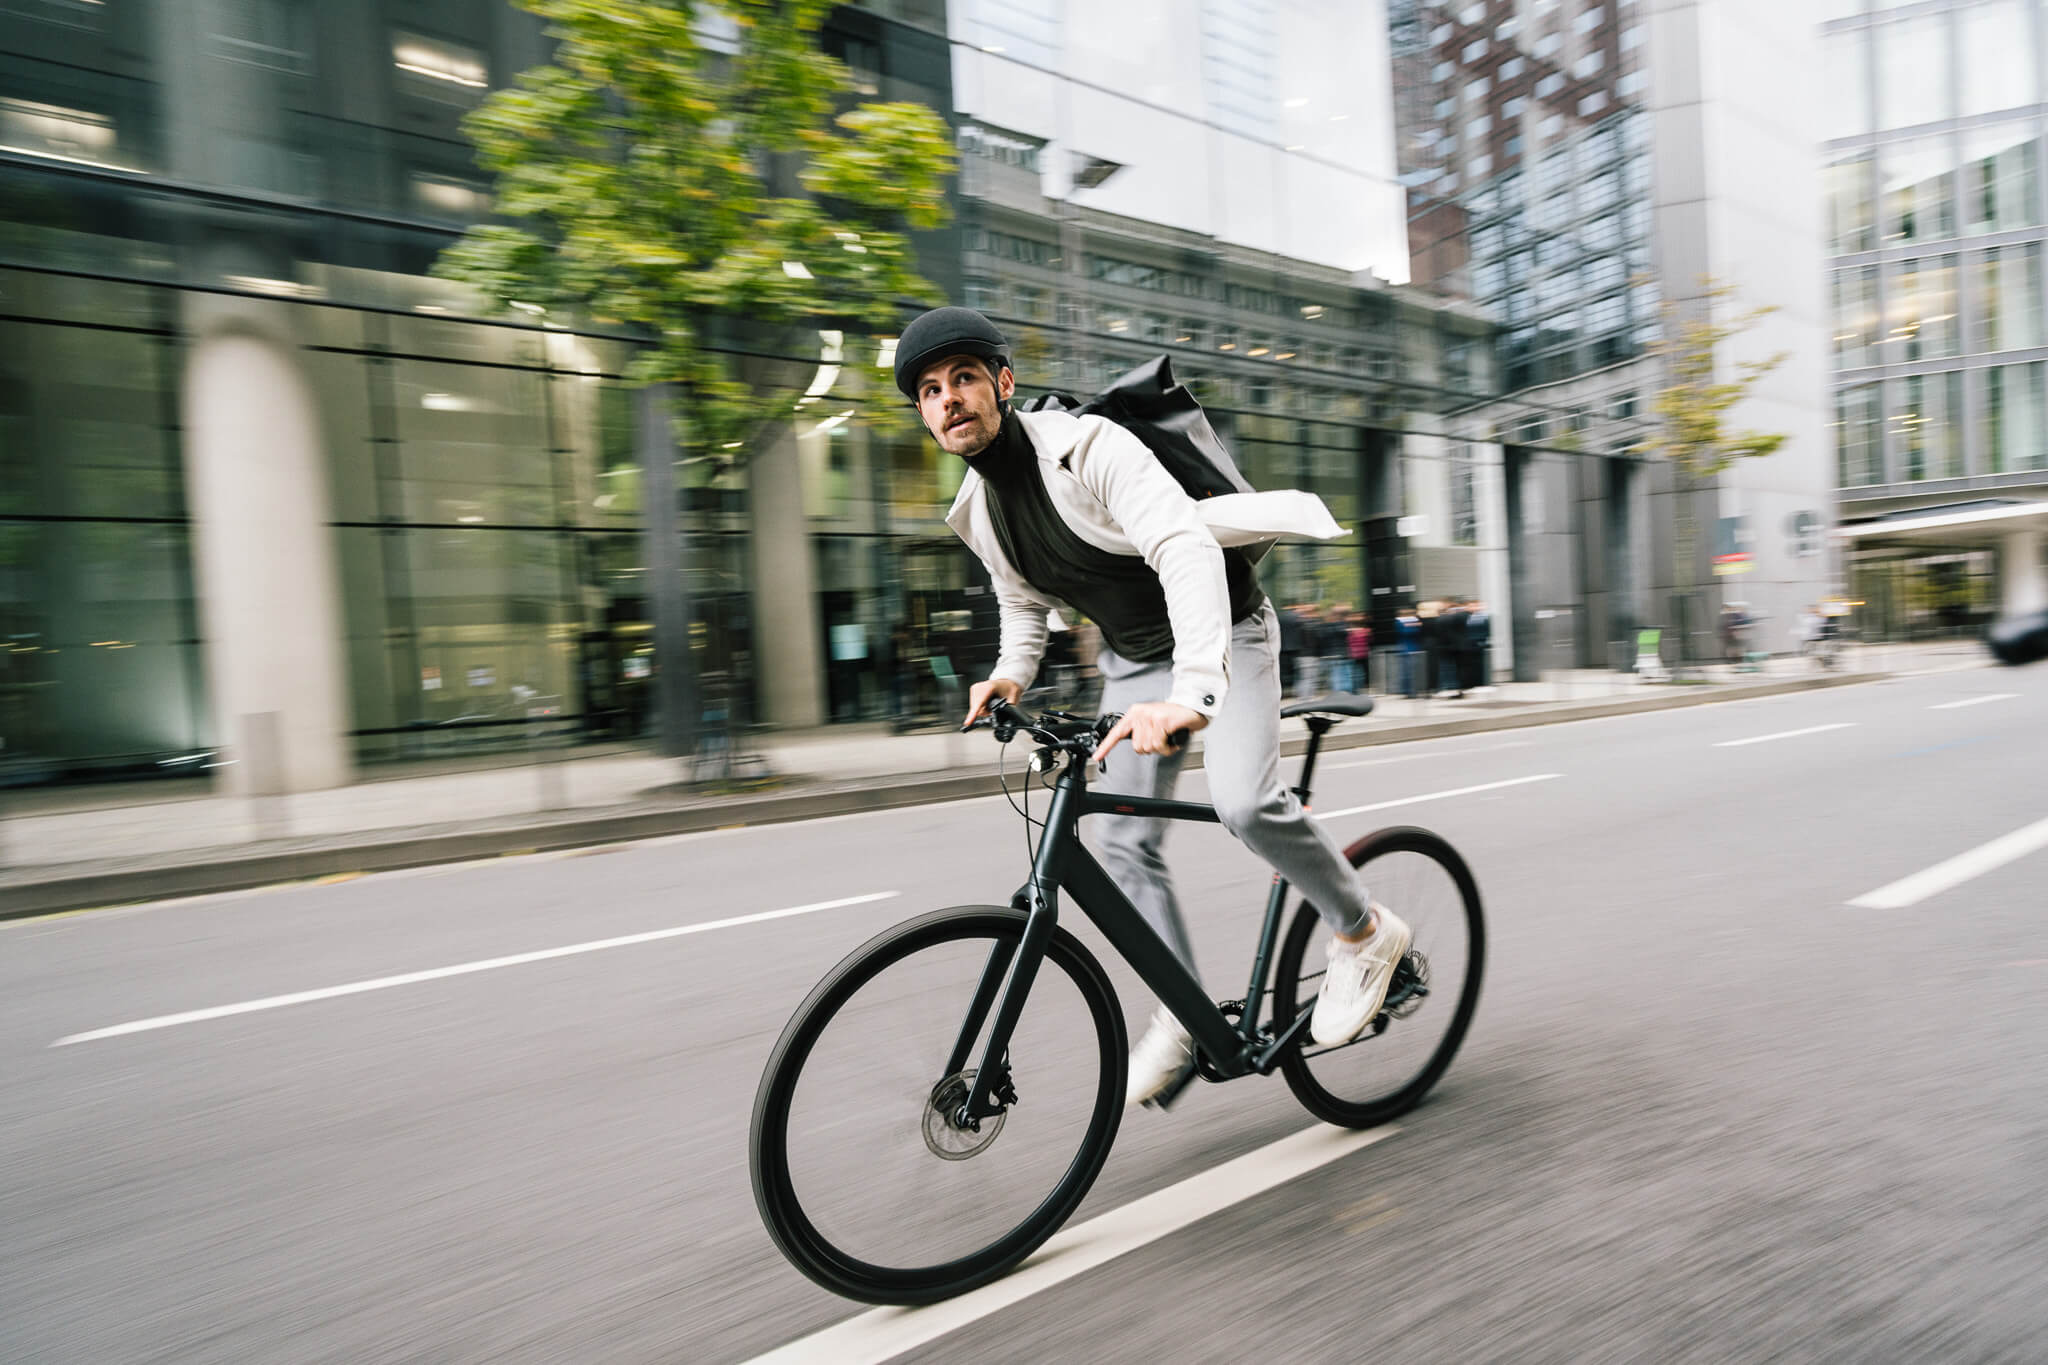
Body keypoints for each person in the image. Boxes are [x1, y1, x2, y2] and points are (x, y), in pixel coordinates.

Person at [896, 305, 1410, 1106]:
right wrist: (1009, 674)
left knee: (1243, 801)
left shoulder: (1089, 447)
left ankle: (1366, 932)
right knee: (1120, 840)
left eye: (963, 377)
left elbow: (1184, 547)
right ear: (923, 412)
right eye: (929, 390)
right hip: (1135, 659)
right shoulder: (977, 509)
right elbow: (1022, 600)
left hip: (1226, 633)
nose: (949, 399)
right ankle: (1180, 1008)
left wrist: (1193, 696)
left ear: (1002, 382)